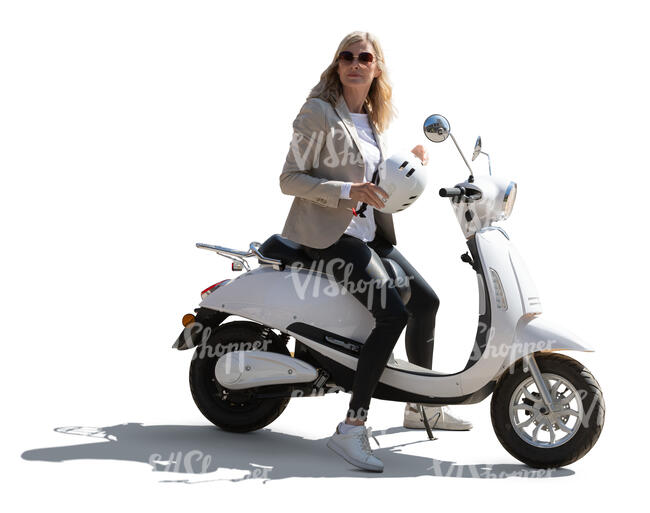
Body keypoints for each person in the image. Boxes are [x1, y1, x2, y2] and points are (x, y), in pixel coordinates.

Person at [279, 31, 471, 473]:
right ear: (337, 64)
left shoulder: (371, 117)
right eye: (346, 56)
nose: (354, 63)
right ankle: (351, 426)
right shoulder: (317, 113)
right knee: (393, 313)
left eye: (364, 57)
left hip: (369, 234)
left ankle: (421, 407)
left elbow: (377, 178)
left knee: (426, 301)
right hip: (330, 235)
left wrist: (412, 160)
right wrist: (349, 189)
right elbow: (290, 179)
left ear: (376, 67)